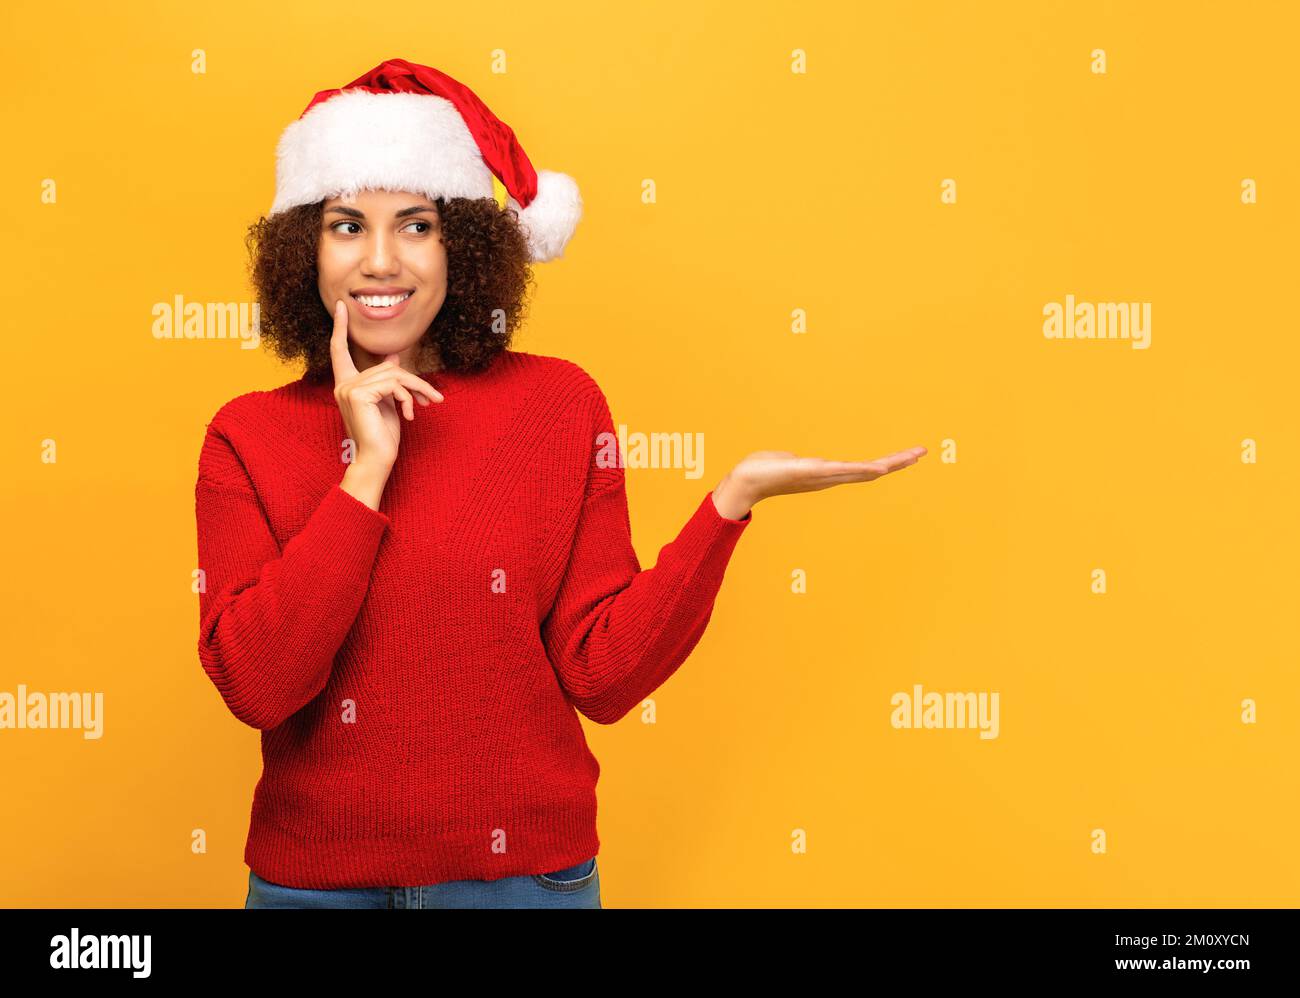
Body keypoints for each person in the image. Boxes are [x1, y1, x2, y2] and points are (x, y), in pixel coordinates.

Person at [195, 58, 926, 910]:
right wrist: (366, 472)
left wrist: (731, 503)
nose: (381, 260)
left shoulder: (559, 406)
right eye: (347, 225)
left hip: (525, 884)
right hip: (313, 890)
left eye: (417, 224)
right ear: (304, 249)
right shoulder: (245, 435)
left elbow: (601, 677)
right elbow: (258, 684)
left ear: (463, 242)